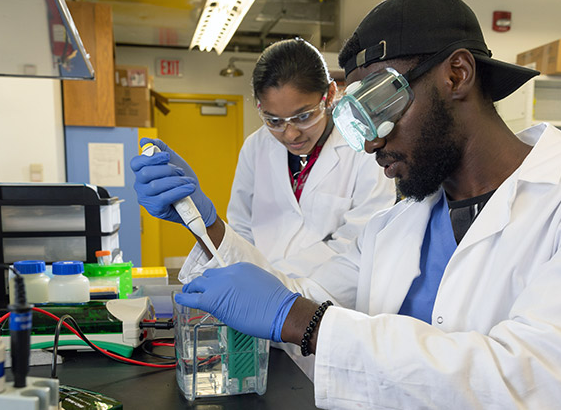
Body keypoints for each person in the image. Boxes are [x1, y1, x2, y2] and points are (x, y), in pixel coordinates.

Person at [131, 0, 561, 409]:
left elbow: (539, 379)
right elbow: (294, 293)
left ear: (457, 75)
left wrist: (300, 320)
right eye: (355, 117)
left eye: (379, 104)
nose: (370, 141)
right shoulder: (396, 226)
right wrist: (204, 221)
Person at [140, 38, 396, 378]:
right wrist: (206, 226)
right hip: (256, 319)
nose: (290, 133)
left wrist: (268, 282)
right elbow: (242, 228)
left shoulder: (361, 150)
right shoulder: (256, 147)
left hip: (324, 317)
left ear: (330, 94)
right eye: (273, 120)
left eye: (303, 116)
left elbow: (357, 248)